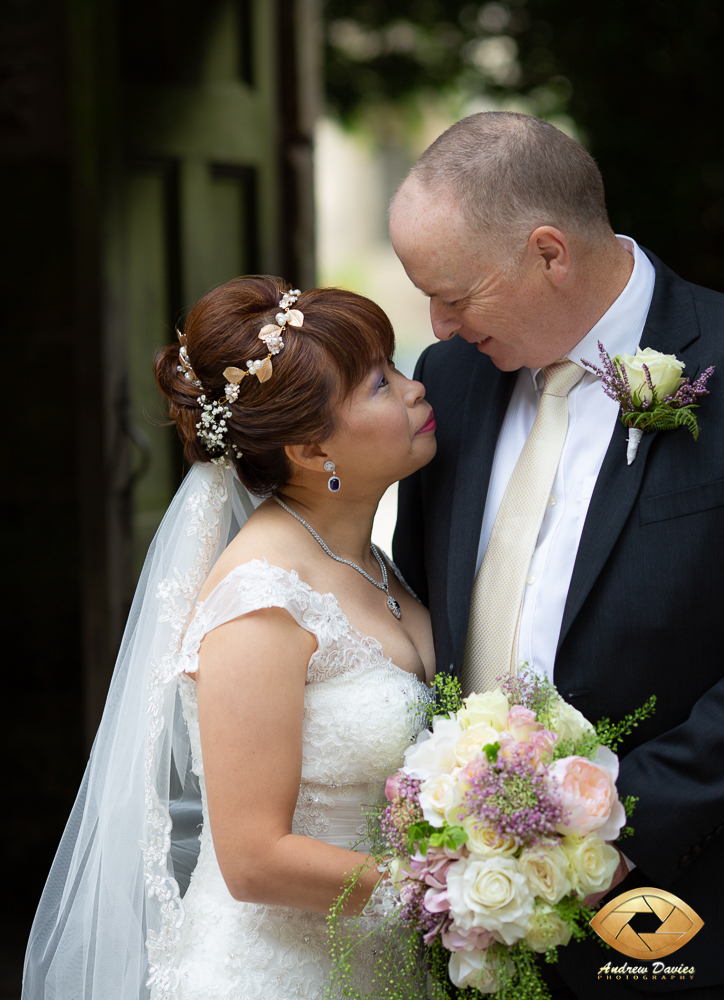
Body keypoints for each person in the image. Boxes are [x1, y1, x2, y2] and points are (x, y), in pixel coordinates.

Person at [389, 111, 724, 999]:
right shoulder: (448, 379)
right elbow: (420, 607)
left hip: (687, 912)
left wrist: (614, 820)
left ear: (549, 252)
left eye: (455, 293)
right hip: (472, 917)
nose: (436, 323)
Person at [23, 277, 437, 1000]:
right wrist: (452, 890)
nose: (414, 391)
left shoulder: (366, 558)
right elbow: (253, 860)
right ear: (312, 448)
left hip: (386, 965)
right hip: (284, 975)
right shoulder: (261, 599)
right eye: (380, 383)